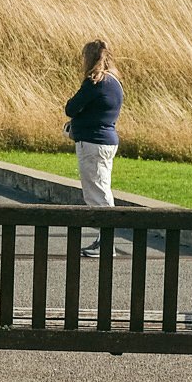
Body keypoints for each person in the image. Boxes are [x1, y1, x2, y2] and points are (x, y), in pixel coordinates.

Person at [64, 39, 123, 256]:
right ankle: (104, 239)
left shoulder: (94, 81)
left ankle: (106, 242)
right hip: (107, 140)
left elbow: (71, 108)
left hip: (93, 143)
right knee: (101, 187)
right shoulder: (115, 82)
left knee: (96, 193)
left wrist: (77, 122)